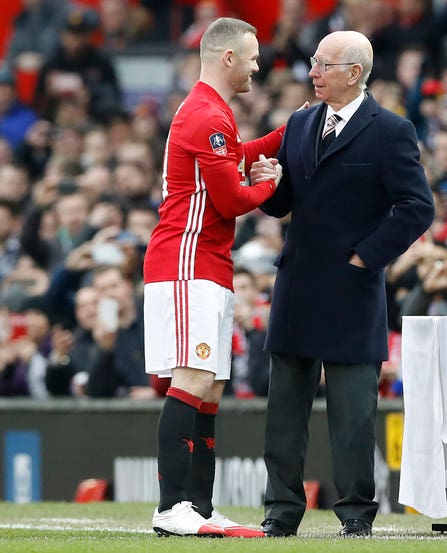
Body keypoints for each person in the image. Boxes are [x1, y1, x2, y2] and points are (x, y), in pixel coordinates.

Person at [259, 30, 434, 538]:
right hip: (296, 283)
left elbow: (417, 206)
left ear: (354, 73)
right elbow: (285, 200)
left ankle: (356, 514)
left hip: (353, 289)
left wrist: (367, 258)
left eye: (321, 64)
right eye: (313, 62)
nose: (311, 72)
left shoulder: (391, 131)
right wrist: (269, 184)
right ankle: (281, 511)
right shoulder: (298, 122)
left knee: (353, 415)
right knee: (283, 412)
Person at [143, 18, 287, 538]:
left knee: (211, 387)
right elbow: (230, 197)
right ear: (228, 58)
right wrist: (269, 187)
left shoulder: (209, 110)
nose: (256, 64)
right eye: (250, 56)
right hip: (187, 259)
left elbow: (232, 160)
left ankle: (198, 508)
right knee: (194, 379)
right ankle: (170, 507)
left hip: (206, 261)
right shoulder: (207, 113)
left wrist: (284, 134)